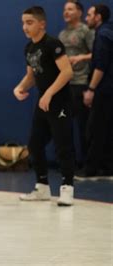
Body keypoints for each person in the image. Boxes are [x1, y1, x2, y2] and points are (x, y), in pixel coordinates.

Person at [14, 6, 76, 206]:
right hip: (44, 102)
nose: (25, 27)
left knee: (63, 145)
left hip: (59, 102)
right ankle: (42, 187)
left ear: (42, 24)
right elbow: (32, 75)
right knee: (34, 144)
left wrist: (49, 93)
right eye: (23, 23)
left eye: (29, 22)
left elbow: (66, 72)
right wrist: (20, 87)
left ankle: (67, 189)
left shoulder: (53, 44)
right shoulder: (28, 48)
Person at [76, 4, 113, 177]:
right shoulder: (109, 31)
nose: (86, 18)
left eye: (90, 15)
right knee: (105, 129)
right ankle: (107, 167)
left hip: (104, 89)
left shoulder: (102, 35)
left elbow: (101, 65)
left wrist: (91, 89)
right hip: (108, 89)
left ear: (98, 17)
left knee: (95, 129)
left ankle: (90, 169)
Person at [58, 0, 95, 165]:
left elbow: (97, 54)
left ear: (79, 12)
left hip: (81, 82)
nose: (66, 12)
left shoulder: (85, 31)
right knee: (64, 125)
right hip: (66, 84)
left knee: (83, 126)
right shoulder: (62, 34)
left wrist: (80, 57)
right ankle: (69, 163)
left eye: (70, 9)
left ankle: (88, 163)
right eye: (65, 9)